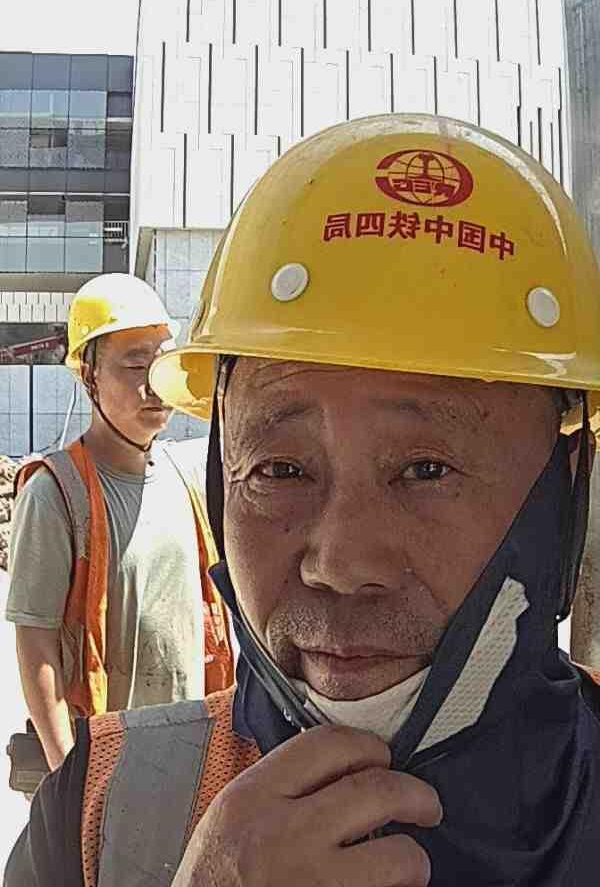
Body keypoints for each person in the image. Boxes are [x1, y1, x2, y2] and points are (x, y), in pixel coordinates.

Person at [6, 114, 600, 887]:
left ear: (564, 492)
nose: (340, 564)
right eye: (280, 470)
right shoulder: (99, 812)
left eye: (426, 470)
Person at [5, 273, 233, 775]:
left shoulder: (187, 478)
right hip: (107, 766)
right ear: (89, 375)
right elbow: (36, 644)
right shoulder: (55, 495)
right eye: (134, 365)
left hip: (194, 758)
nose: (154, 384)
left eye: (161, 362)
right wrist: (68, 777)